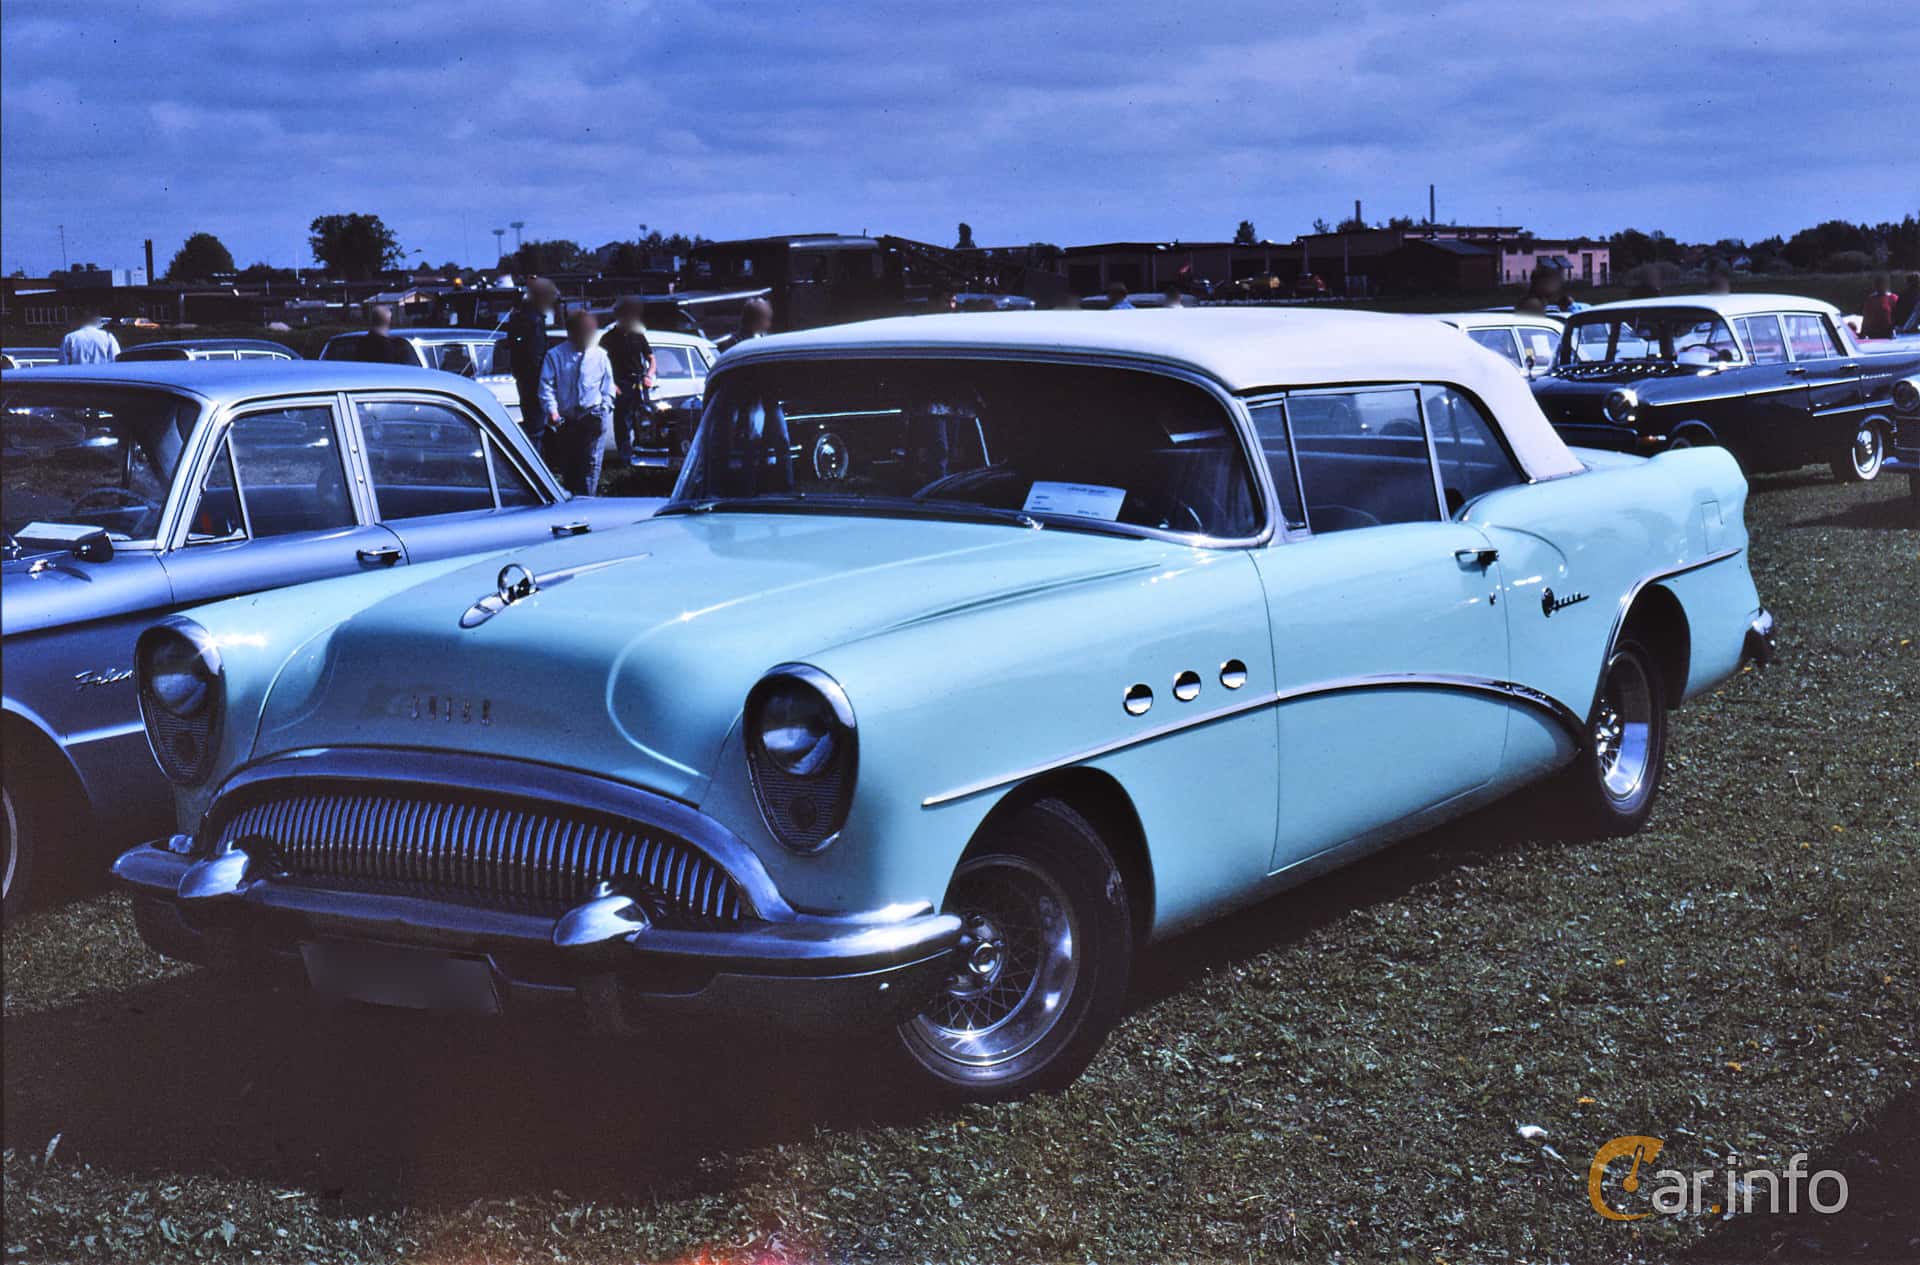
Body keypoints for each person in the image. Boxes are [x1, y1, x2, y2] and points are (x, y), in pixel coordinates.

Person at [539, 308, 614, 495]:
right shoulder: (555, 355)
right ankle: (571, 503)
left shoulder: (600, 355)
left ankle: (589, 503)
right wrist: (553, 412)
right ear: (571, 333)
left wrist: (605, 407)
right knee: (570, 467)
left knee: (591, 466)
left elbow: (608, 385)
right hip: (567, 420)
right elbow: (546, 386)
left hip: (593, 416)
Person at [504, 278, 561, 447]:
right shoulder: (535, 321)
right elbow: (536, 355)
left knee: (532, 424)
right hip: (534, 381)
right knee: (536, 429)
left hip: (523, 379)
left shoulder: (518, 318)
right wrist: (544, 382)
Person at [599, 298, 654, 466]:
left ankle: (643, 458)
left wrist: (649, 375)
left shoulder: (638, 336)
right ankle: (625, 461)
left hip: (639, 383)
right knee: (623, 424)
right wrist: (611, 385)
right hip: (620, 384)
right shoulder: (608, 338)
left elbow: (651, 358)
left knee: (643, 422)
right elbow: (600, 364)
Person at [1860, 275, 1896, 340]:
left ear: (1886, 285)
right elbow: (1866, 318)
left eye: (1882, 284)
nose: (1880, 286)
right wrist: (1862, 334)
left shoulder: (1893, 298)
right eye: (1878, 284)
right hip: (1873, 333)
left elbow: (1898, 316)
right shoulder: (1870, 300)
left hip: (1888, 331)